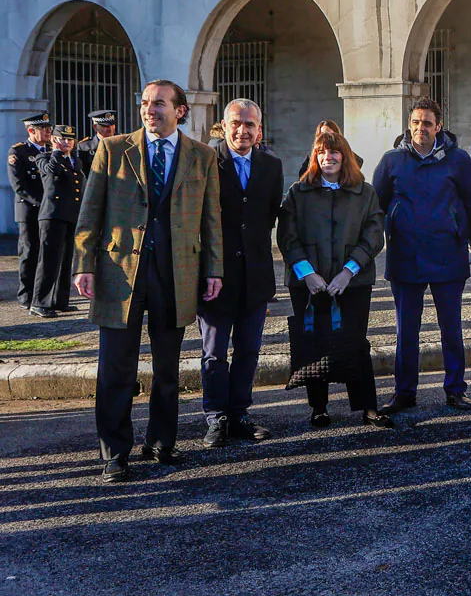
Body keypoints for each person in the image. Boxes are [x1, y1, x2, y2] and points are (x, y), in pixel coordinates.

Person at [74, 80, 223, 483]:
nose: (148, 110)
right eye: (144, 103)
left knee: (167, 369)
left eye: (158, 104)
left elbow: (211, 220)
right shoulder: (113, 149)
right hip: (120, 275)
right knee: (115, 368)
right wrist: (82, 264)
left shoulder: (203, 156)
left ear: (180, 111)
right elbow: (91, 211)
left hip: (176, 274)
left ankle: (161, 442)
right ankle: (114, 453)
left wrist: (214, 270)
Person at [374, 98, 471, 415]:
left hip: (447, 256)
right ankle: (404, 392)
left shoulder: (459, 160)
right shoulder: (392, 161)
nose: (422, 128)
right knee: (406, 331)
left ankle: (456, 390)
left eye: (428, 123)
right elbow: (377, 203)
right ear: (410, 125)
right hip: (405, 258)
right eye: (416, 122)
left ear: (439, 126)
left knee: (451, 329)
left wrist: (457, 228)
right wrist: (393, 229)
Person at [278, 130, 390, 429]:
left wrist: (348, 271)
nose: (328, 157)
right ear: (315, 156)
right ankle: (319, 407)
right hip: (308, 282)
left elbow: (373, 234)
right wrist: (308, 274)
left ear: (345, 156)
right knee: (314, 342)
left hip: (352, 280)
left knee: (356, 342)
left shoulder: (364, 193)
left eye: (334, 152)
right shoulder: (297, 193)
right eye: (322, 152)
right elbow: (287, 236)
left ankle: (367, 407)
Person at [196, 99, 283, 448]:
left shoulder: (272, 165)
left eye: (249, 124)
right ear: (224, 125)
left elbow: (270, 216)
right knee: (214, 351)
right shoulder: (205, 161)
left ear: (259, 129)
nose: (242, 130)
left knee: (249, 350)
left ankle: (239, 413)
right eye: (236, 123)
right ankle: (216, 417)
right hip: (216, 276)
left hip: (256, 273)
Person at [31, 125, 84, 318]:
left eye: (70, 139)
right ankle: (39, 302)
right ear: (54, 140)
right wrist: (56, 152)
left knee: (66, 260)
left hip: (70, 215)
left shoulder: (74, 161)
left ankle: (60, 300)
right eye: (62, 139)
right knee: (49, 260)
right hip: (52, 215)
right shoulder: (44, 157)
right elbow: (51, 172)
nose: (66, 142)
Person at [10, 112, 52, 310]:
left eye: (48, 128)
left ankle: (43, 296)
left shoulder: (52, 151)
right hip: (29, 210)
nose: (48, 131)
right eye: (43, 129)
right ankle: (26, 295)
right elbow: (19, 186)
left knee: (47, 253)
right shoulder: (18, 152)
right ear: (30, 131)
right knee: (29, 252)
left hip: (49, 211)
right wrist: (42, 202)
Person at [298, 120, 363, 178]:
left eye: (329, 134)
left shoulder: (351, 157)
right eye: (322, 152)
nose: (327, 157)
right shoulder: (310, 159)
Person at [76, 110, 117, 176]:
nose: (110, 129)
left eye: (112, 125)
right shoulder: (84, 147)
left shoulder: (121, 142)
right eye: (105, 126)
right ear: (95, 127)